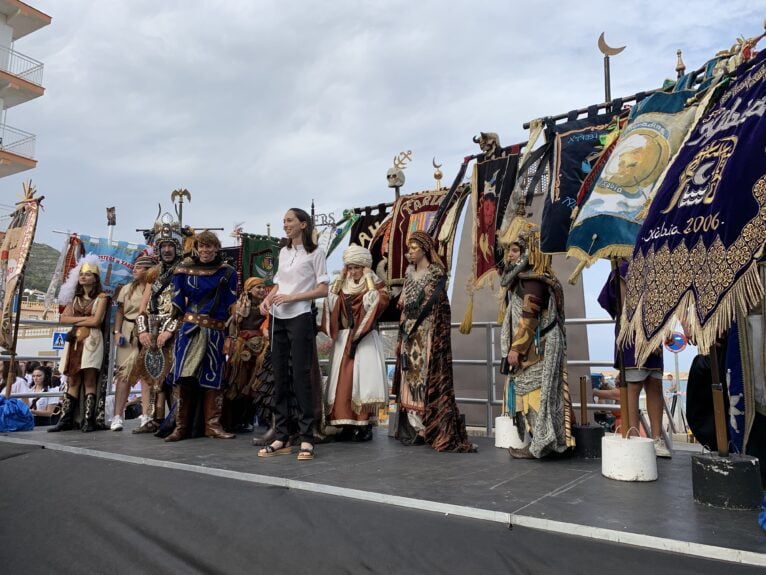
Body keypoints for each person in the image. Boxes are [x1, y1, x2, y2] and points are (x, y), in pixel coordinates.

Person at [393, 231, 476, 452]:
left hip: (428, 332)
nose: (409, 252)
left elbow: (440, 308)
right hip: (410, 334)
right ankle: (415, 425)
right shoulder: (409, 274)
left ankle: (428, 426)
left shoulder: (436, 274)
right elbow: (404, 309)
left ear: (424, 249)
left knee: (426, 378)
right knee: (409, 380)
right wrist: (400, 337)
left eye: (413, 248)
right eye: (408, 248)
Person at [258, 208, 329, 461]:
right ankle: (282, 435)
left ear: (303, 224)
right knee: (279, 375)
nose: (285, 225)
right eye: (284, 221)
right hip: (278, 316)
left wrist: (293, 297)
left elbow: (323, 289)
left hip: (300, 315)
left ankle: (307, 438)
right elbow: (279, 283)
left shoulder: (316, 253)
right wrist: (267, 299)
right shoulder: (284, 251)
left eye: (289, 221)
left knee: (300, 376)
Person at [499, 223, 573, 459]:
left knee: (536, 394)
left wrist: (516, 348)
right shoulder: (529, 278)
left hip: (537, 349)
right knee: (537, 393)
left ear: (529, 251)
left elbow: (529, 317)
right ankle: (544, 442)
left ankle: (541, 444)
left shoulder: (533, 280)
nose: (509, 255)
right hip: (536, 347)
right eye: (509, 250)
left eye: (514, 250)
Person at [163, 230, 238, 442]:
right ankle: (181, 427)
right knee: (184, 377)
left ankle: (212, 426)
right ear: (197, 248)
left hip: (215, 330)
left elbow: (231, 305)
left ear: (216, 248)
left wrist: (232, 334)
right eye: (202, 246)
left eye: (210, 246)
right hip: (190, 330)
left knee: (212, 377)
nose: (206, 250)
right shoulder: (183, 271)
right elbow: (176, 301)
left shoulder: (227, 272)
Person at [598, 259, 670, 457]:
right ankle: (632, 436)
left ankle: (657, 438)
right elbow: (626, 309)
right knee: (633, 386)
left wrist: (660, 330)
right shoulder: (622, 269)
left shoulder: (654, 265)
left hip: (653, 330)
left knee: (654, 383)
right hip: (633, 334)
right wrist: (646, 334)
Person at [321, 245, 389, 442]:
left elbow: (374, 303)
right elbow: (330, 303)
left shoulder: (377, 285)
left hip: (365, 338)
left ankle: (364, 425)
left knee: (364, 382)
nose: (353, 271)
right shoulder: (343, 285)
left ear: (365, 266)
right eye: (349, 267)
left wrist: (369, 278)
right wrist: (340, 279)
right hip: (344, 339)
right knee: (342, 384)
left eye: (357, 267)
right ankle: (346, 425)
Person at [134, 215, 186, 434]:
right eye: (163, 246)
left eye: (170, 246)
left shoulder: (184, 271)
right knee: (154, 376)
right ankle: (155, 419)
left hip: (176, 327)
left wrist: (170, 330)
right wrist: (143, 330)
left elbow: (185, 304)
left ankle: (175, 421)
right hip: (153, 328)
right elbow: (142, 308)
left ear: (177, 248)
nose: (167, 250)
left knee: (173, 377)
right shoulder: (153, 275)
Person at [49, 255, 110, 432]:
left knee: (90, 379)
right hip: (75, 341)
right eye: (82, 274)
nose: (84, 276)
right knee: (73, 379)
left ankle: (88, 420)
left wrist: (77, 320)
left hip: (92, 341)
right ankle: (65, 420)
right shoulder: (74, 298)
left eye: (89, 274)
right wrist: (85, 319)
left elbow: (96, 321)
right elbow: (64, 318)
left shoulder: (102, 297)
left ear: (95, 278)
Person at [110, 254, 157, 431]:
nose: (134, 270)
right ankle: (117, 416)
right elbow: (120, 312)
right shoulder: (127, 288)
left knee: (147, 376)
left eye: (138, 268)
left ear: (147, 271)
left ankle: (146, 415)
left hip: (148, 331)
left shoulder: (155, 289)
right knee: (124, 376)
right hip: (128, 331)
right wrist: (117, 331)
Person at [224, 276, 273, 434]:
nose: (261, 290)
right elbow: (233, 327)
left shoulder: (268, 306)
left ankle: (250, 419)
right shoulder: (238, 306)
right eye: (257, 287)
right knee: (237, 383)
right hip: (242, 349)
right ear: (248, 290)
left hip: (259, 349)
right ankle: (233, 421)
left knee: (255, 385)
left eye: (262, 287)